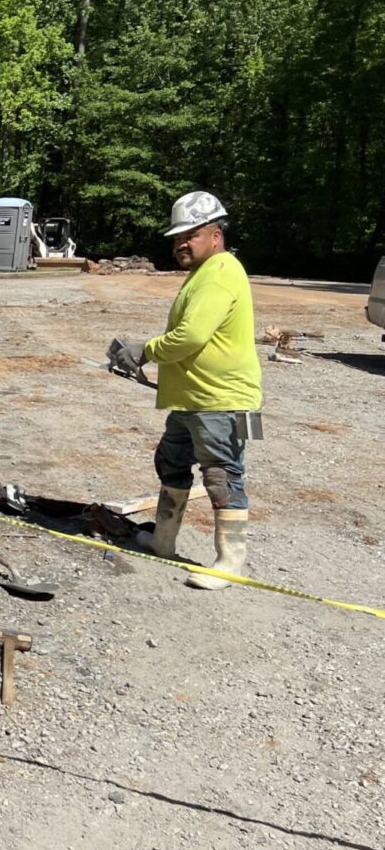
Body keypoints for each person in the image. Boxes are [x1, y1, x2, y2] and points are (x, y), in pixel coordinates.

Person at [107, 191, 261, 590]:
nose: (182, 244)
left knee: (222, 476)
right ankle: (163, 540)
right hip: (193, 399)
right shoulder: (205, 273)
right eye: (177, 238)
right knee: (171, 463)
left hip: (221, 401)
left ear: (216, 234)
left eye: (191, 235)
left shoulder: (221, 272)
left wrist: (146, 351)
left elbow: (191, 336)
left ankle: (230, 562)